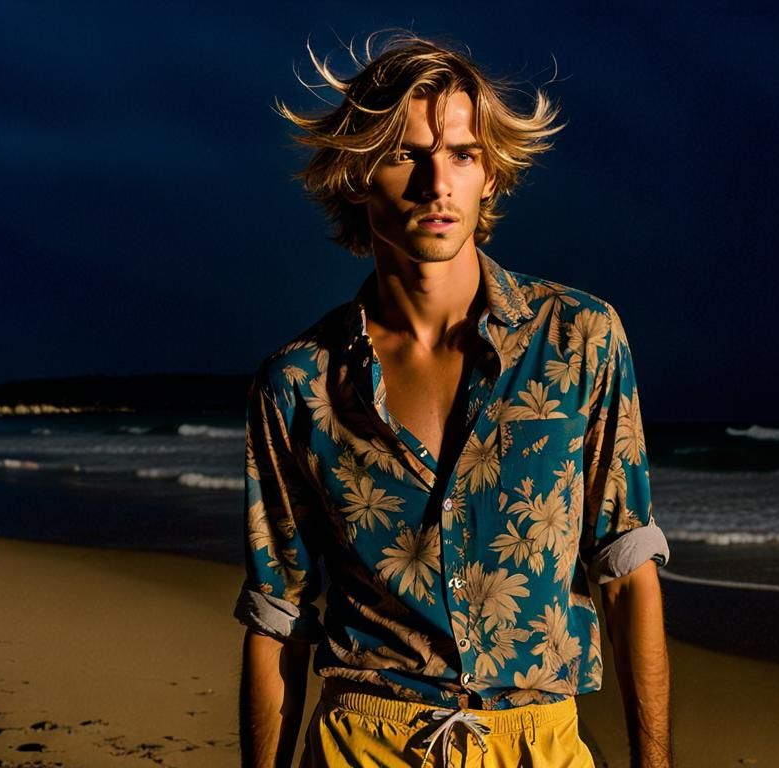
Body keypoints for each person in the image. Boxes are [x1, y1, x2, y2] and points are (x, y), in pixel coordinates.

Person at [237, 33, 672, 768]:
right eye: (406, 154)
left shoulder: (580, 340)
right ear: (356, 175)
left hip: (539, 745)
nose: (438, 183)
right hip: (363, 744)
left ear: (491, 176)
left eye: (463, 155)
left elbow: (627, 574)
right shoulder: (298, 383)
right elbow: (278, 620)